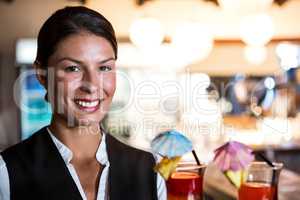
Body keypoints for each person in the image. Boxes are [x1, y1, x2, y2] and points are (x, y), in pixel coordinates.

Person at [0, 6, 166, 200]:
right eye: (73, 68)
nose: (92, 85)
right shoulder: (6, 173)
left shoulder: (151, 172)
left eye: (104, 67)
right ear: (42, 75)